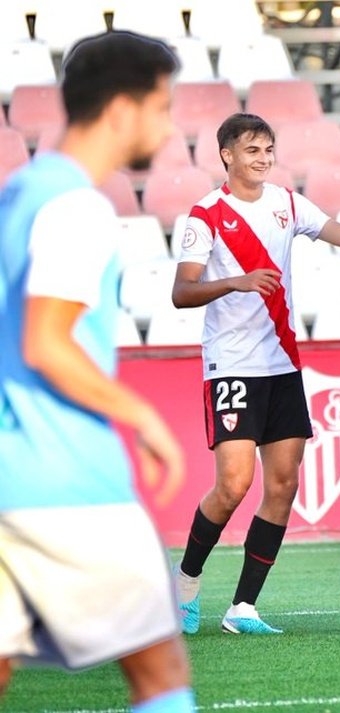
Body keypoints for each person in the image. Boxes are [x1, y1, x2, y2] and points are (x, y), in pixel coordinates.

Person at [0, 31, 194, 712]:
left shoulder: (16, 193)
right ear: (122, 110)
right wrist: (140, 415)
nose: (168, 128)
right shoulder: (76, 205)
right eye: (161, 107)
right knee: (160, 672)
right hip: (66, 479)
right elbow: (46, 342)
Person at [171, 113, 340, 635]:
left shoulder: (287, 202)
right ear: (227, 156)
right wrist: (235, 281)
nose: (262, 158)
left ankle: (244, 608)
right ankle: (185, 584)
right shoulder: (205, 216)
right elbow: (181, 292)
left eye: (268, 149)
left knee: (283, 484)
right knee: (234, 485)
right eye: (252, 150)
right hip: (232, 366)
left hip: (281, 364)